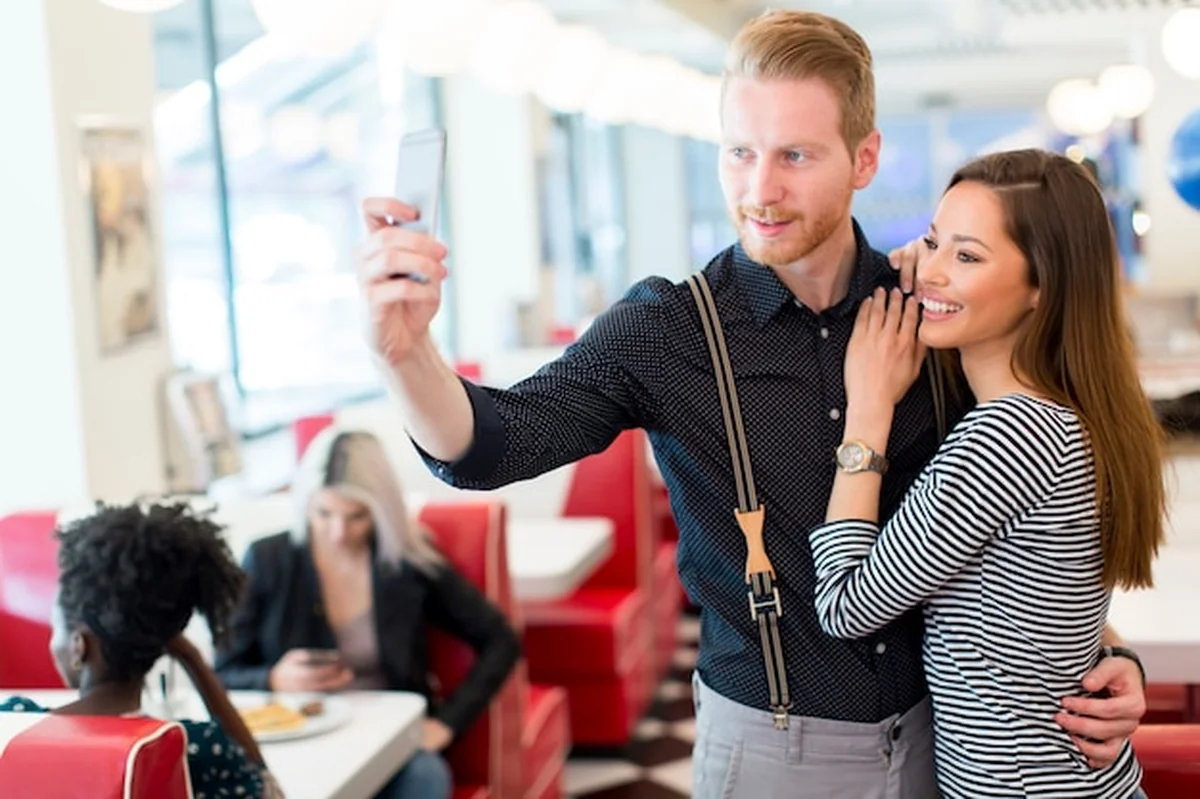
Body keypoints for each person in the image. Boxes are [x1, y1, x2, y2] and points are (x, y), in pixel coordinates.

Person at [353, 10, 1148, 797]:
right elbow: (492, 445)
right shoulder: (668, 328)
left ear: (864, 157)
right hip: (773, 755)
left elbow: (1022, 541)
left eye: (795, 155)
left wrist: (1106, 659)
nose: (759, 190)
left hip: (947, 753)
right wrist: (407, 355)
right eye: (740, 152)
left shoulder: (932, 313)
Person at [811, 149, 1161, 797]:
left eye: (967, 257)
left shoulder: (1009, 434)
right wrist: (1120, 655)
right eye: (933, 242)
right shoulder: (1071, 412)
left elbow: (844, 603)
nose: (930, 274)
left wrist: (866, 409)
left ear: (1042, 286)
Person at [215, 428, 521, 799]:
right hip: (298, 737)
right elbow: (223, 672)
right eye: (323, 513)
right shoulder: (268, 559)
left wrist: (447, 724)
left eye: (356, 517)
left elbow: (501, 639)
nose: (338, 533)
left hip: (389, 737)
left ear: (382, 511)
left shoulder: (407, 562)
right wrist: (274, 679)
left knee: (424, 778)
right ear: (304, 504)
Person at [0, 502, 282, 799]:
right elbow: (268, 789)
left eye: (55, 627)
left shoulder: (14, 724)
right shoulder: (192, 750)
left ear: (78, 647)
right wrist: (193, 659)